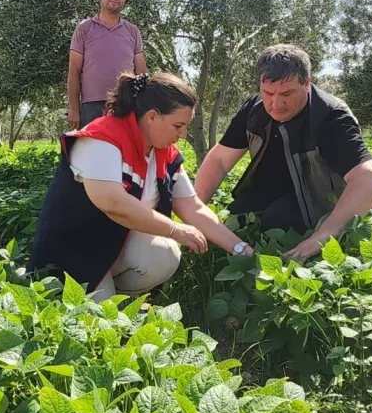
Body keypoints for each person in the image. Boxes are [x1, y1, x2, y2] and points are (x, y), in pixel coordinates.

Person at [30, 71, 254, 302]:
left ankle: (120, 299)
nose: (183, 134)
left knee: (163, 255)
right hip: (77, 250)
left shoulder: (164, 154)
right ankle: (75, 295)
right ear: (152, 117)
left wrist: (241, 249)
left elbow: (192, 207)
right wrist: (174, 230)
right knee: (99, 326)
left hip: (114, 247)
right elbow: (112, 202)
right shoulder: (100, 139)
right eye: (178, 125)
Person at [194, 44, 372, 263]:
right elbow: (218, 160)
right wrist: (195, 210)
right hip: (277, 189)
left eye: (287, 93)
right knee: (237, 217)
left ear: (307, 83)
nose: (276, 104)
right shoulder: (254, 110)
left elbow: (369, 179)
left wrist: (322, 236)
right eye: (268, 93)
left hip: (325, 202)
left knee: (278, 219)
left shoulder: (330, 117)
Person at [67, 0, 148, 129]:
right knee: (91, 153)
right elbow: (73, 72)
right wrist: (74, 109)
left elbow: (142, 73)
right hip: (91, 107)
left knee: (123, 153)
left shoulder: (133, 31)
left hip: (125, 105)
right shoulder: (84, 28)